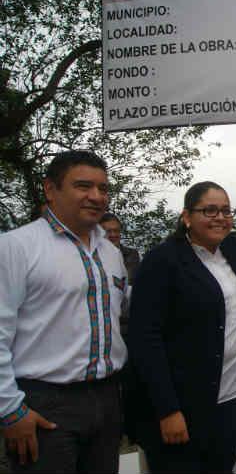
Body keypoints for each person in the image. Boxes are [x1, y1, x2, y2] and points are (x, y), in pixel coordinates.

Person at [127, 181, 236, 474]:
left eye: (225, 210)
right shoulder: (163, 261)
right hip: (182, 405)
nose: (219, 217)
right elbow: (146, 338)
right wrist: (168, 410)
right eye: (209, 210)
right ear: (186, 217)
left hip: (232, 399)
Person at [0, 150, 128, 473]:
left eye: (103, 188)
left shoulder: (110, 252)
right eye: (83, 186)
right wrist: (11, 410)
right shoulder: (17, 247)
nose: (96, 196)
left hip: (107, 398)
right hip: (44, 404)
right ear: (50, 189)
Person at [100, 213, 140, 285]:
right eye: (108, 231)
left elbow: (132, 282)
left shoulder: (131, 255)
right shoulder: (92, 255)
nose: (113, 235)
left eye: (116, 231)